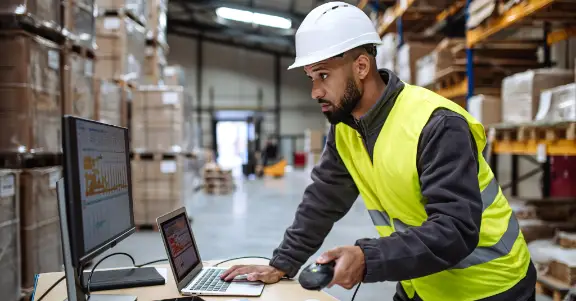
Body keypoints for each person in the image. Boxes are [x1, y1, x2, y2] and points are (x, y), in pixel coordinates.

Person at [221, 2, 536, 300]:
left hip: (490, 287)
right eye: (311, 78)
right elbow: (324, 199)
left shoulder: (436, 124)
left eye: (324, 75)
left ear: (361, 66)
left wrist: (366, 257)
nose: (315, 91)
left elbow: (455, 229)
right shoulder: (346, 128)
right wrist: (283, 263)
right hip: (422, 283)